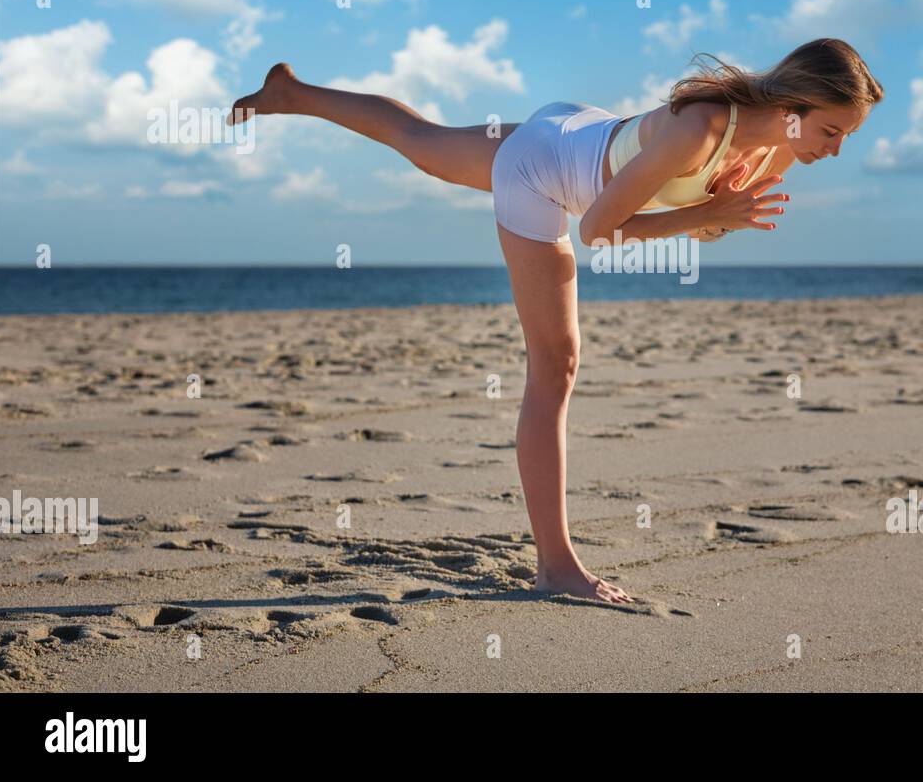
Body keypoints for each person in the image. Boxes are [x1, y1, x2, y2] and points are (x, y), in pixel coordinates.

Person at [228, 38, 883, 604]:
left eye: (847, 136)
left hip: (576, 129)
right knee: (557, 366)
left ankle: (290, 92)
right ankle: (557, 568)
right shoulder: (704, 130)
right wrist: (710, 216)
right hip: (545, 172)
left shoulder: (775, 149)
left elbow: (693, 220)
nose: (836, 148)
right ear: (795, 108)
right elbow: (600, 228)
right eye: (833, 130)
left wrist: (715, 216)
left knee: (421, 141)